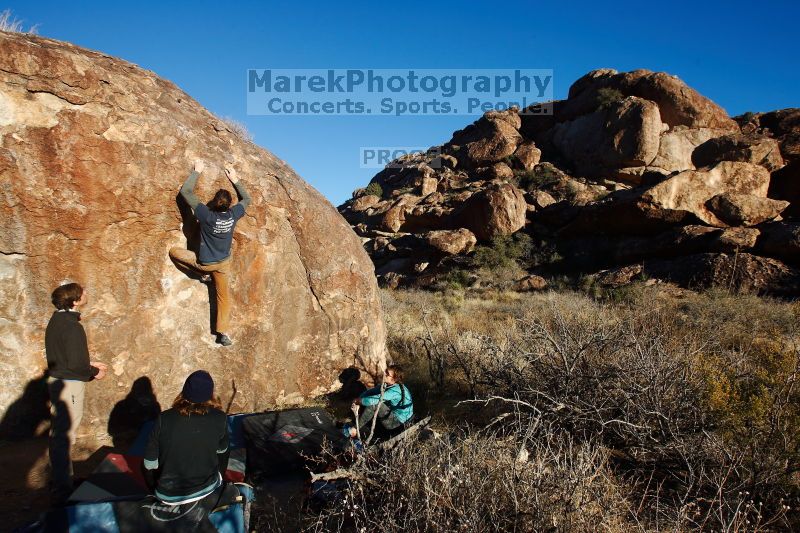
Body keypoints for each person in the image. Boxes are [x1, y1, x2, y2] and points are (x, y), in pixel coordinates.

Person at [169, 160, 251, 346]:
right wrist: (235, 180)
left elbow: (186, 192)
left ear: (214, 201)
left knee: (174, 252)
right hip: (223, 264)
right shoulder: (233, 215)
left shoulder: (206, 215)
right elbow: (247, 200)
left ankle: (202, 274)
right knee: (223, 297)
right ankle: (223, 333)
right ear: (229, 205)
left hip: (205, 263)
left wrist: (197, 171)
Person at [45, 282, 107, 504]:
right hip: (69, 385)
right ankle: (62, 489)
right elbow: (76, 364)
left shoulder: (57, 320)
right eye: (83, 292)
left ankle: (63, 479)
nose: (86, 293)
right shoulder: (72, 326)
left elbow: (66, 355)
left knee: (60, 433)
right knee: (64, 436)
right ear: (75, 301)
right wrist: (95, 372)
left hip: (59, 380)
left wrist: (88, 365)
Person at [143, 370, 229, 505]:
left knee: (144, 462)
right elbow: (222, 451)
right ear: (210, 394)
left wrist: (155, 487)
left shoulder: (163, 418)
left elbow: (149, 464)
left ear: (184, 391)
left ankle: (154, 494)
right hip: (206, 489)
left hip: (167, 495)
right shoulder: (220, 417)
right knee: (224, 447)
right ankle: (219, 483)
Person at [346, 364, 413, 440]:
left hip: (398, 423)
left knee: (374, 404)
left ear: (394, 379)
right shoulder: (388, 385)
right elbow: (371, 392)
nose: (384, 374)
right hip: (393, 415)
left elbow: (374, 400)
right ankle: (357, 421)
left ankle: (355, 429)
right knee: (367, 399)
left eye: (387, 374)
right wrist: (359, 399)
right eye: (385, 372)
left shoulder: (394, 391)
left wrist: (359, 401)